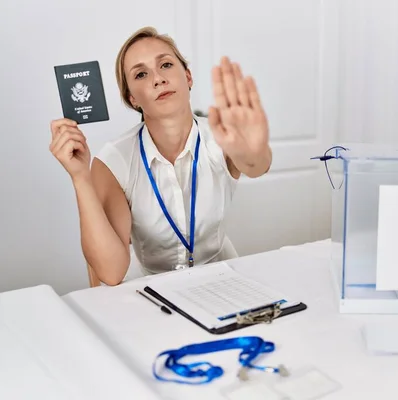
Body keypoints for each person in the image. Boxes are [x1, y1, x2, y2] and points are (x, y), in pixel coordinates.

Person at [49, 27, 272, 286]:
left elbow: (256, 165)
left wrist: (254, 149)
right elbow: (110, 273)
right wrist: (80, 177)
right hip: (151, 292)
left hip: (220, 279)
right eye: (141, 74)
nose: (157, 79)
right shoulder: (114, 161)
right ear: (132, 98)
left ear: (187, 76)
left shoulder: (221, 135)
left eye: (166, 65)